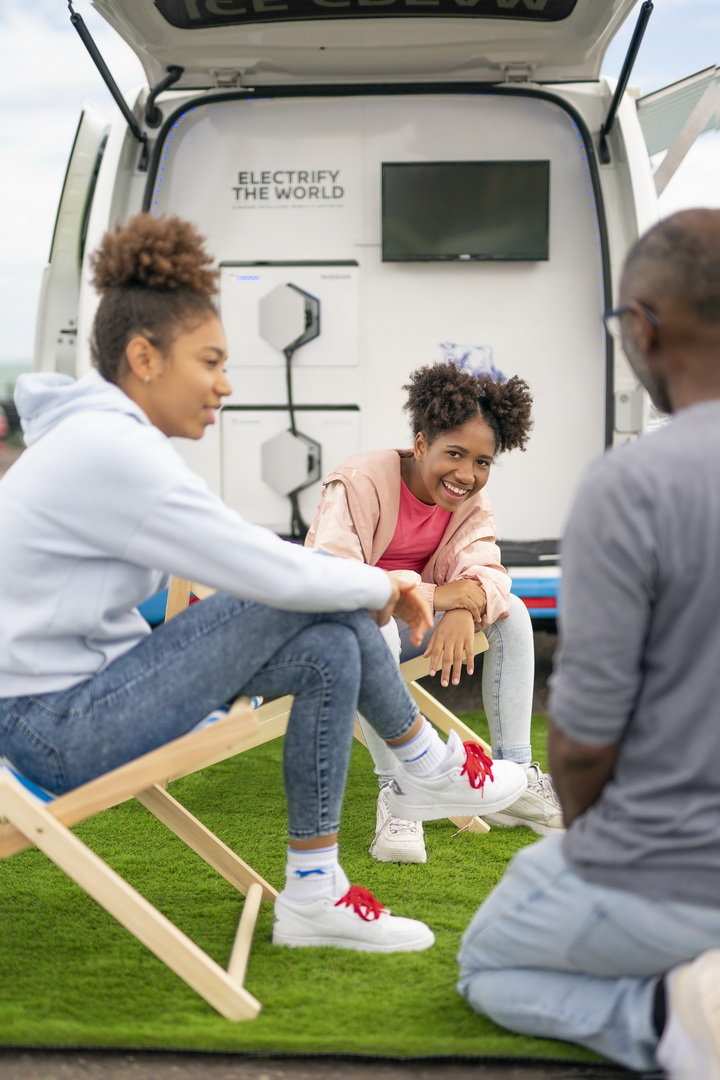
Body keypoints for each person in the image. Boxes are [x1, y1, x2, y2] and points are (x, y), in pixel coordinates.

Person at [0, 214, 530, 955]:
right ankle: (424, 766)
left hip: (92, 695)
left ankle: (317, 889)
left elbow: (254, 554)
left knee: (327, 644)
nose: (225, 384)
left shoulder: (108, 440)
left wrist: (367, 589)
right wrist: (384, 589)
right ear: (145, 356)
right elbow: (255, 566)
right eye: (210, 361)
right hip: (54, 727)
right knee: (313, 593)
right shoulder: (106, 450)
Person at [457, 208, 720, 1077]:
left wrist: (586, 845)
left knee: (486, 961)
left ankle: (673, 1020)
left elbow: (583, 739)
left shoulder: (636, 484)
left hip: (675, 872)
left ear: (642, 327)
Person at [307, 362, 561, 863]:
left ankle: (514, 780)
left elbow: (486, 568)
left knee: (514, 614)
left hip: (415, 621)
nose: (467, 474)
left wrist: (465, 609)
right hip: (347, 627)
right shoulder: (358, 482)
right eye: (455, 454)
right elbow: (336, 581)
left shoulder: (471, 501)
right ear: (420, 445)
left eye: (483, 461)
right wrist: (441, 598)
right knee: (369, 628)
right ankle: (400, 792)